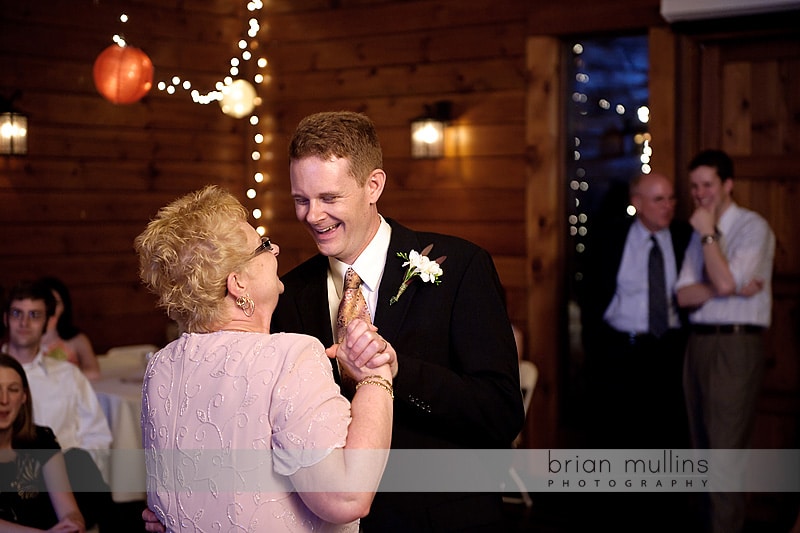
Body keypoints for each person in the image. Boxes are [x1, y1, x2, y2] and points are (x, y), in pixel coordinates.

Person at [272, 111, 524, 531]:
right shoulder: (289, 293)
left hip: (442, 519)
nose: (312, 216)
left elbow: (501, 413)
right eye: (301, 199)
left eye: (329, 198)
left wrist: (397, 371)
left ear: (373, 186)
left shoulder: (461, 268)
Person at [134, 185, 394, 532]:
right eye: (263, 246)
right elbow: (346, 497)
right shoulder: (290, 356)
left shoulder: (161, 366)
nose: (275, 250)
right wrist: (375, 376)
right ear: (238, 284)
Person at [676, 149, 775, 533]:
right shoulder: (697, 230)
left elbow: (719, 282)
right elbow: (684, 295)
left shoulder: (753, 227)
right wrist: (727, 288)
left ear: (728, 184)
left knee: (723, 459)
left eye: (708, 185)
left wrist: (708, 235)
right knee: (700, 455)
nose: (700, 193)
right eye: (695, 186)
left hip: (734, 347)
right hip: (697, 344)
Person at [579, 172, 693, 449]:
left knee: (666, 435)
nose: (668, 205)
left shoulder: (684, 236)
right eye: (658, 199)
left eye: (671, 198)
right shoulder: (610, 236)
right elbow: (590, 292)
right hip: (619, 350)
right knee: (618, 434)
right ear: (637, 203)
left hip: (669, 349)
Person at [2, 280, 113, 530]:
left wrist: (63, 472)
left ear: (48, 322)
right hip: (10, 480)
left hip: (67, 475)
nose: (24, 323)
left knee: (78, 461)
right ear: (6, 318)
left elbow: (96, 437)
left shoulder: (68, 375)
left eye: (35, 315)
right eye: (17, 313)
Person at [0, 352, 86, 532]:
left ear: (23, 397)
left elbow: (68, 510)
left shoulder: (41, 439)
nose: (4, 400)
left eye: (13, 390)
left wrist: (73, 523)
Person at [38, 277, 101, 381]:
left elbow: (93, 372)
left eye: (56, 303)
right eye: (47, 303)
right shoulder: (25, 339)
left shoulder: (77, 339)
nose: (51, 309)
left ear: (64, 306)